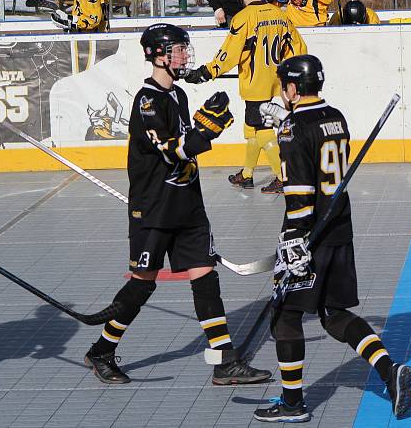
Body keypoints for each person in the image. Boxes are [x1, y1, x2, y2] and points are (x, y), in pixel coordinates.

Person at [83, 23, 271, 387]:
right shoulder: (147, 101)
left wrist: (201, 129)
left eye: (185, 49)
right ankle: (102, 350)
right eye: (179, 50)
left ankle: (224, 360)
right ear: (158, 55)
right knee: (142, 283)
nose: (185, 55)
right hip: (154, 210)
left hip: (188, 206)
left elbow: (186, 145)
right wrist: (206, 132)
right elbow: (173, 151)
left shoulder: (179, 96)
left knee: (205, 276)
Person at [252, 55, 411, 423]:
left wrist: (294, 241)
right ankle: (390, 373)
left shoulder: (293, 127)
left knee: (285, 314)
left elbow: (301, 192)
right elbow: (315, 143)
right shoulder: (335, 116)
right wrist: (287, 125)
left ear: (292, 88)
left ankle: (292, 404)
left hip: (309, 233)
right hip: (340, 225)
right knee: (333, 313)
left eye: (283, 87)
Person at [185, 0, 307, 194]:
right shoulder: (279, 14)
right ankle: (247, 174)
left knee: (261, 129)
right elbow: (297, 48)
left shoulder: (243, 18)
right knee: (251, 128)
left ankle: (282, 177)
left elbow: (228, 55)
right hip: (275, 81)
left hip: (254, 84)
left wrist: (205, 72)